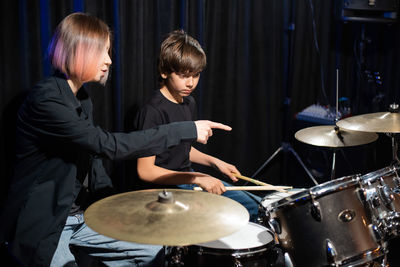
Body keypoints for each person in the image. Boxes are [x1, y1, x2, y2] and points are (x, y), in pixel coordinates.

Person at [0, 13, 232, 267]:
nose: (109, 60)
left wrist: (119, 209)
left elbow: (92, 160)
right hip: (48, 224)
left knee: (152, 251)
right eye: (103, 52)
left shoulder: (81, 99)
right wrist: (185, 129)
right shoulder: (46, 101)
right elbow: (107, 145)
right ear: (79, 50)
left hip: (82, 219)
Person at [134, 29, 261, 221]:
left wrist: (215, 163)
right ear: (164, 71)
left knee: (256, 205)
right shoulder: (152, 111)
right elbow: (145, 170)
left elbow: (182, 150)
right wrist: (198, 178)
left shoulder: (188, 102)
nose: (191, 83)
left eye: (196, 75)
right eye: (184, 75)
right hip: (166, 189)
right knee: (235, 212)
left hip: (188, 179)